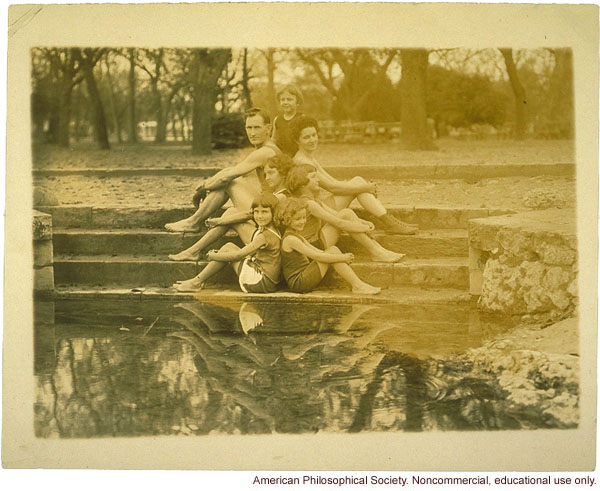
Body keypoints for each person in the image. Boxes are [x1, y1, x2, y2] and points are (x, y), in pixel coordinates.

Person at [291, 115, 418, 235]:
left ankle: (389, 220)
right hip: (316, 214)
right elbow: (332, 188)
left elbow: (334, 181)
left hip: (321, 206)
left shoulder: (309, 157)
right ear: (297, 140)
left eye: (314, 135)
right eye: (307, 137)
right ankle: (389, 222)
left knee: (357, 181)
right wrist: (365, 188)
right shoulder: (301, 161)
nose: (312, 140)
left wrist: (362, 186)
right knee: (359, 184)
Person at [165, 108, 281, 233]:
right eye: (249, 127)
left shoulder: (265, 152)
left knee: (230, 182)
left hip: (269, 212)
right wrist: (208, 183)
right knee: (230, 176)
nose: (252, 133)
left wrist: (203, 189)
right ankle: (193, 222)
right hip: (266, 205)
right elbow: (232, 170)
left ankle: (193, 222)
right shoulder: (267, 148)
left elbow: (227, 177)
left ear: (268, 129)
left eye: (257, 127)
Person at [168, 154, 294, 262]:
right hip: (261, 235)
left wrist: (219, 221)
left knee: (230, 209)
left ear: (283, 174)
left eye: (271, 173)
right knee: (231, 211)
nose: (267, 178)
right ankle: (193, 250)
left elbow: (250, 214)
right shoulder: (278, 193)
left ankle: (193, 250)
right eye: (265, 174)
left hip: (265, 243)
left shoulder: (282, 196)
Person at [286, 164, 405, 263]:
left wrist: (363, 222)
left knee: (346, 212)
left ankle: (379, 250)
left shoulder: (314, 200)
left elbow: (334, 214)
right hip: (312, 247)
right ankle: (377, 252)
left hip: (317, 240)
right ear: (302, 183)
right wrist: (362, 227)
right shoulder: (307, 203)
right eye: (313, 177)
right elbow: (338, 222)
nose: (318, 180)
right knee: (346, 214)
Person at [173, 193, 282, 293]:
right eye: (256, 212)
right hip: (268, 281)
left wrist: (213, 256)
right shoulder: (271, 230)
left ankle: (196, 282)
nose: (259, 216)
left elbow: (238, 255)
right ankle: (196, 281)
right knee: (229, 247)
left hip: (260, 281)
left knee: (227, 249)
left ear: (274, 213)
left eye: (264, 212)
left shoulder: (264, 236)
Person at [277, 197, 380, 295]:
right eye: (298, 219)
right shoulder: (290, 239)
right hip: (299, 282)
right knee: (332, 252)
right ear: (287, 220)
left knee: (332, 250)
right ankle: (358, 286)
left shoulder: (295, 235)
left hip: (306, 273)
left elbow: (317, 251)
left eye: (304, 218)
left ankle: (358, 285)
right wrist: (342, 257)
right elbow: (317, 256)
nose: (303, 222)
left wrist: (338, 257)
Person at [271, 84, 304, 157]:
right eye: (282, 100)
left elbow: (305, 142)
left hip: (297, 156)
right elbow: (274, 139)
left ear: (297, 102)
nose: (285, 102)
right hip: (281, 157)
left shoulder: (302, 119)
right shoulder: (277, 119)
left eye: (289, 99)